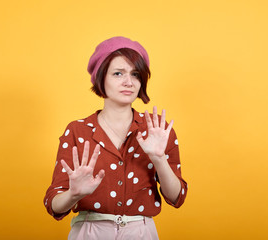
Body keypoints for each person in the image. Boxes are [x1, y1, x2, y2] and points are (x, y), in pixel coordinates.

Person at [44, 36, 188, 240]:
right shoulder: (77, 130)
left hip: (141, 233)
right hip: (89, 232)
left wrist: (158, 159)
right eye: (118, 73)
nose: (128, 82)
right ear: (101, 77)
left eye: (135, 74)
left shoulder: (158, 130)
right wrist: (73, 194)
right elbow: (53, 205)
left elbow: (177, 197)